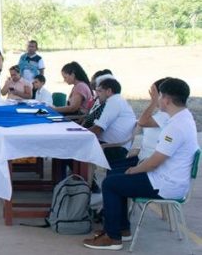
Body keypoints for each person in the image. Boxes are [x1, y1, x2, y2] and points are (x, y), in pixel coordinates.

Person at [83, 78, 198, 251]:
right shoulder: (182, 117)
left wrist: (134, 170)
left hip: (165, 183)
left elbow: (155, 161)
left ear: (166, 100)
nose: (157, 100)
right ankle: (121, 229)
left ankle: (113, 238)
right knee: (115, 176)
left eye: (159, 97)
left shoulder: (176, 126)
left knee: (110, 184)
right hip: (166, 177)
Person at [88, 78, 137, 163]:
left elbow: (98, 129)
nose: (97, 95)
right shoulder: (117, 100)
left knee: (73, 148)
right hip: (114, 145)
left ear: (109, 91)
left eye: (99, 91)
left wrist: (78, 133)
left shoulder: (114, 102)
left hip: (114, 148)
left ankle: (80, 175)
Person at [136, 78, 171, 161]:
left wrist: (154, 101)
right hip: (144, 157)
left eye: (153, 94)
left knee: (112, 171)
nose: (151, 96)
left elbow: (142, 122)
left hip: (149, 161)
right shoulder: (162, 113)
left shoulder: (166, 114)